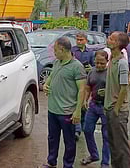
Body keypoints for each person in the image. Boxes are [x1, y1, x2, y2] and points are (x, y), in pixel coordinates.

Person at [41, 37, 86, 168]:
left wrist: (78, 111)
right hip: (53, 110)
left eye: (55, 50)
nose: (54, 53)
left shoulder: (77, 67)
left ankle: (68, 165)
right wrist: (46, 85)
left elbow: (82, 90)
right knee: (52, 138)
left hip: (67, 112)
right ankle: (51, 162)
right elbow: (51, 76)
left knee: (69, 141)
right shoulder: (57, 62)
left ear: (62, 49)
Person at [104, 31, 130, 168]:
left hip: (118, 111)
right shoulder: (112, 60)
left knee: (121, 146)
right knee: (113, 145)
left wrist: (116, 109)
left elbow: (123, 88)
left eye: (111, 38)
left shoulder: (122, 63)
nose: (108, 40)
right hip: (110, 108)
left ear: (117, 44)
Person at [80, 50, 110, 168]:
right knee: (87, 130)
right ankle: (94, 155)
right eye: (97, 63)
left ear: (107, 62)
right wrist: (85, 100)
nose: (99, 65)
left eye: (102, 63)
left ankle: (105, 163)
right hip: (93, 105)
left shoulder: (110, 73)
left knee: (106, 135)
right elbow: (88, 87)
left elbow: (118, 89)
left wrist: (107, 92)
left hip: (105, 107)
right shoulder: (92, 71)